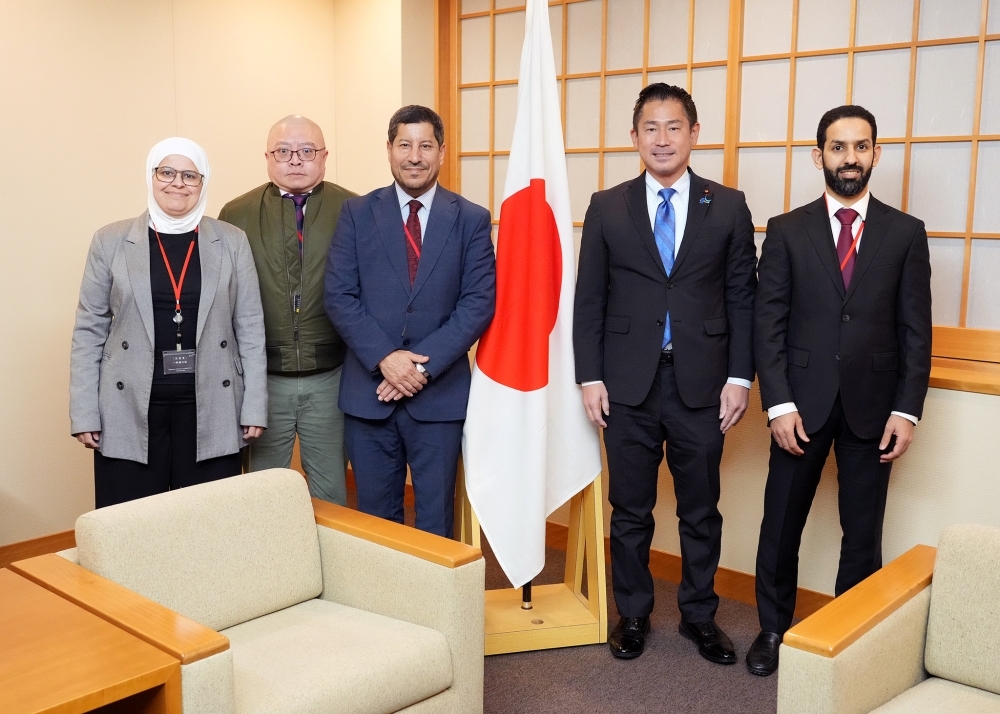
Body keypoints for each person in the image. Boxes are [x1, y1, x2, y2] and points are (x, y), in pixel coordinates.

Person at [574, 84, 757, 662]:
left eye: (673, 127)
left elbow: (743, 299)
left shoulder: (726, 205)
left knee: (700, 508)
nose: (661, 139)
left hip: (701, 384)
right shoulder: (607, 205)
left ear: (694, 134)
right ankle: (633, 614)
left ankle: (699, 616)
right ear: (634, 138)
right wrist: (589, 376)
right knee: (630, 510)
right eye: (649, 128)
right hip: (626, 384)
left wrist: (740, 378)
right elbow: (589, 299)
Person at [746, 105, 932, 676]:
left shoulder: (905, 233)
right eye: (837, 147)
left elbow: (915, 331)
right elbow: (767, 324)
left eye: (860, 147)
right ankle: (773, 630)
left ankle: (844, 641)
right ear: (817, 154)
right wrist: (777, 403)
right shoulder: (785, 230)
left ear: (876, 153)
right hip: (797, 407)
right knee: (781, 524)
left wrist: (906, 410)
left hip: (874, 409)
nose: (849, 158)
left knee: (862, 533)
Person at [325, 105, 495, 538]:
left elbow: (477, 303)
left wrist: (419, 367)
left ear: (441, 152)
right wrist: (386, 359)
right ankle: (383, 608)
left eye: (425, 146)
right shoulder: (356, 213)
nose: (414, 156)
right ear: (388, 150)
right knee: (377, 524)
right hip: (369, 396)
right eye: (405, 145)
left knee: (437, 521)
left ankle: (436, 609)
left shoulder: (470, 218)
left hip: (438, 396)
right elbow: (339, 296)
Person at [70, 137, 267, 508]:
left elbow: (251, 328)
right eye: (167, 172)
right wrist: (84, 412)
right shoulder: (110, 240)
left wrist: (254, 406)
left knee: (207, 524)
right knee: (130, 525)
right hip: (127, 406)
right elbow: (89, 329)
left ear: (203, 182)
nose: (178, 183)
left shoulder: (231, 241)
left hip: (213, 404)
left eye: (190, 175)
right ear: (152, 176)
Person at [218, 116, 355, 505]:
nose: (295, 160)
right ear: (267, 157)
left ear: (324, 157)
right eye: (284, 151)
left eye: (307, 151)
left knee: (330, 490)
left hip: (332, 375)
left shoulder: (355, 208)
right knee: (262, 493)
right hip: (263, 380)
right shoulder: (236, 214)